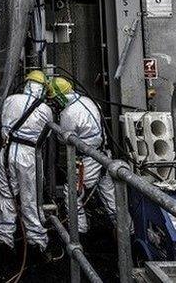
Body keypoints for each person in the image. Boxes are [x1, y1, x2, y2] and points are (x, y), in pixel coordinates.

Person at [0, 70, 53, 254]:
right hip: (28, 155)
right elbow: (47, 135)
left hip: (6, 152)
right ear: (43, 89)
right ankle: (36, 241)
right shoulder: (45, 109)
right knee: (30, 198)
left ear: (27, 84)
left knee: (6, 195)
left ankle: (4, 238)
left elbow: (3, 126)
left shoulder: (10, 100)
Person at [50, 77, 119, 233]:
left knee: (72, 194)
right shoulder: (87, 100)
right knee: (111, 197)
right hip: (103, 155)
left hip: (87, 161)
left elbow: (64, 138)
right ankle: (127, 232)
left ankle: (79, 232)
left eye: (54, 98)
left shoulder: (69, 113)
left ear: (59, 96)